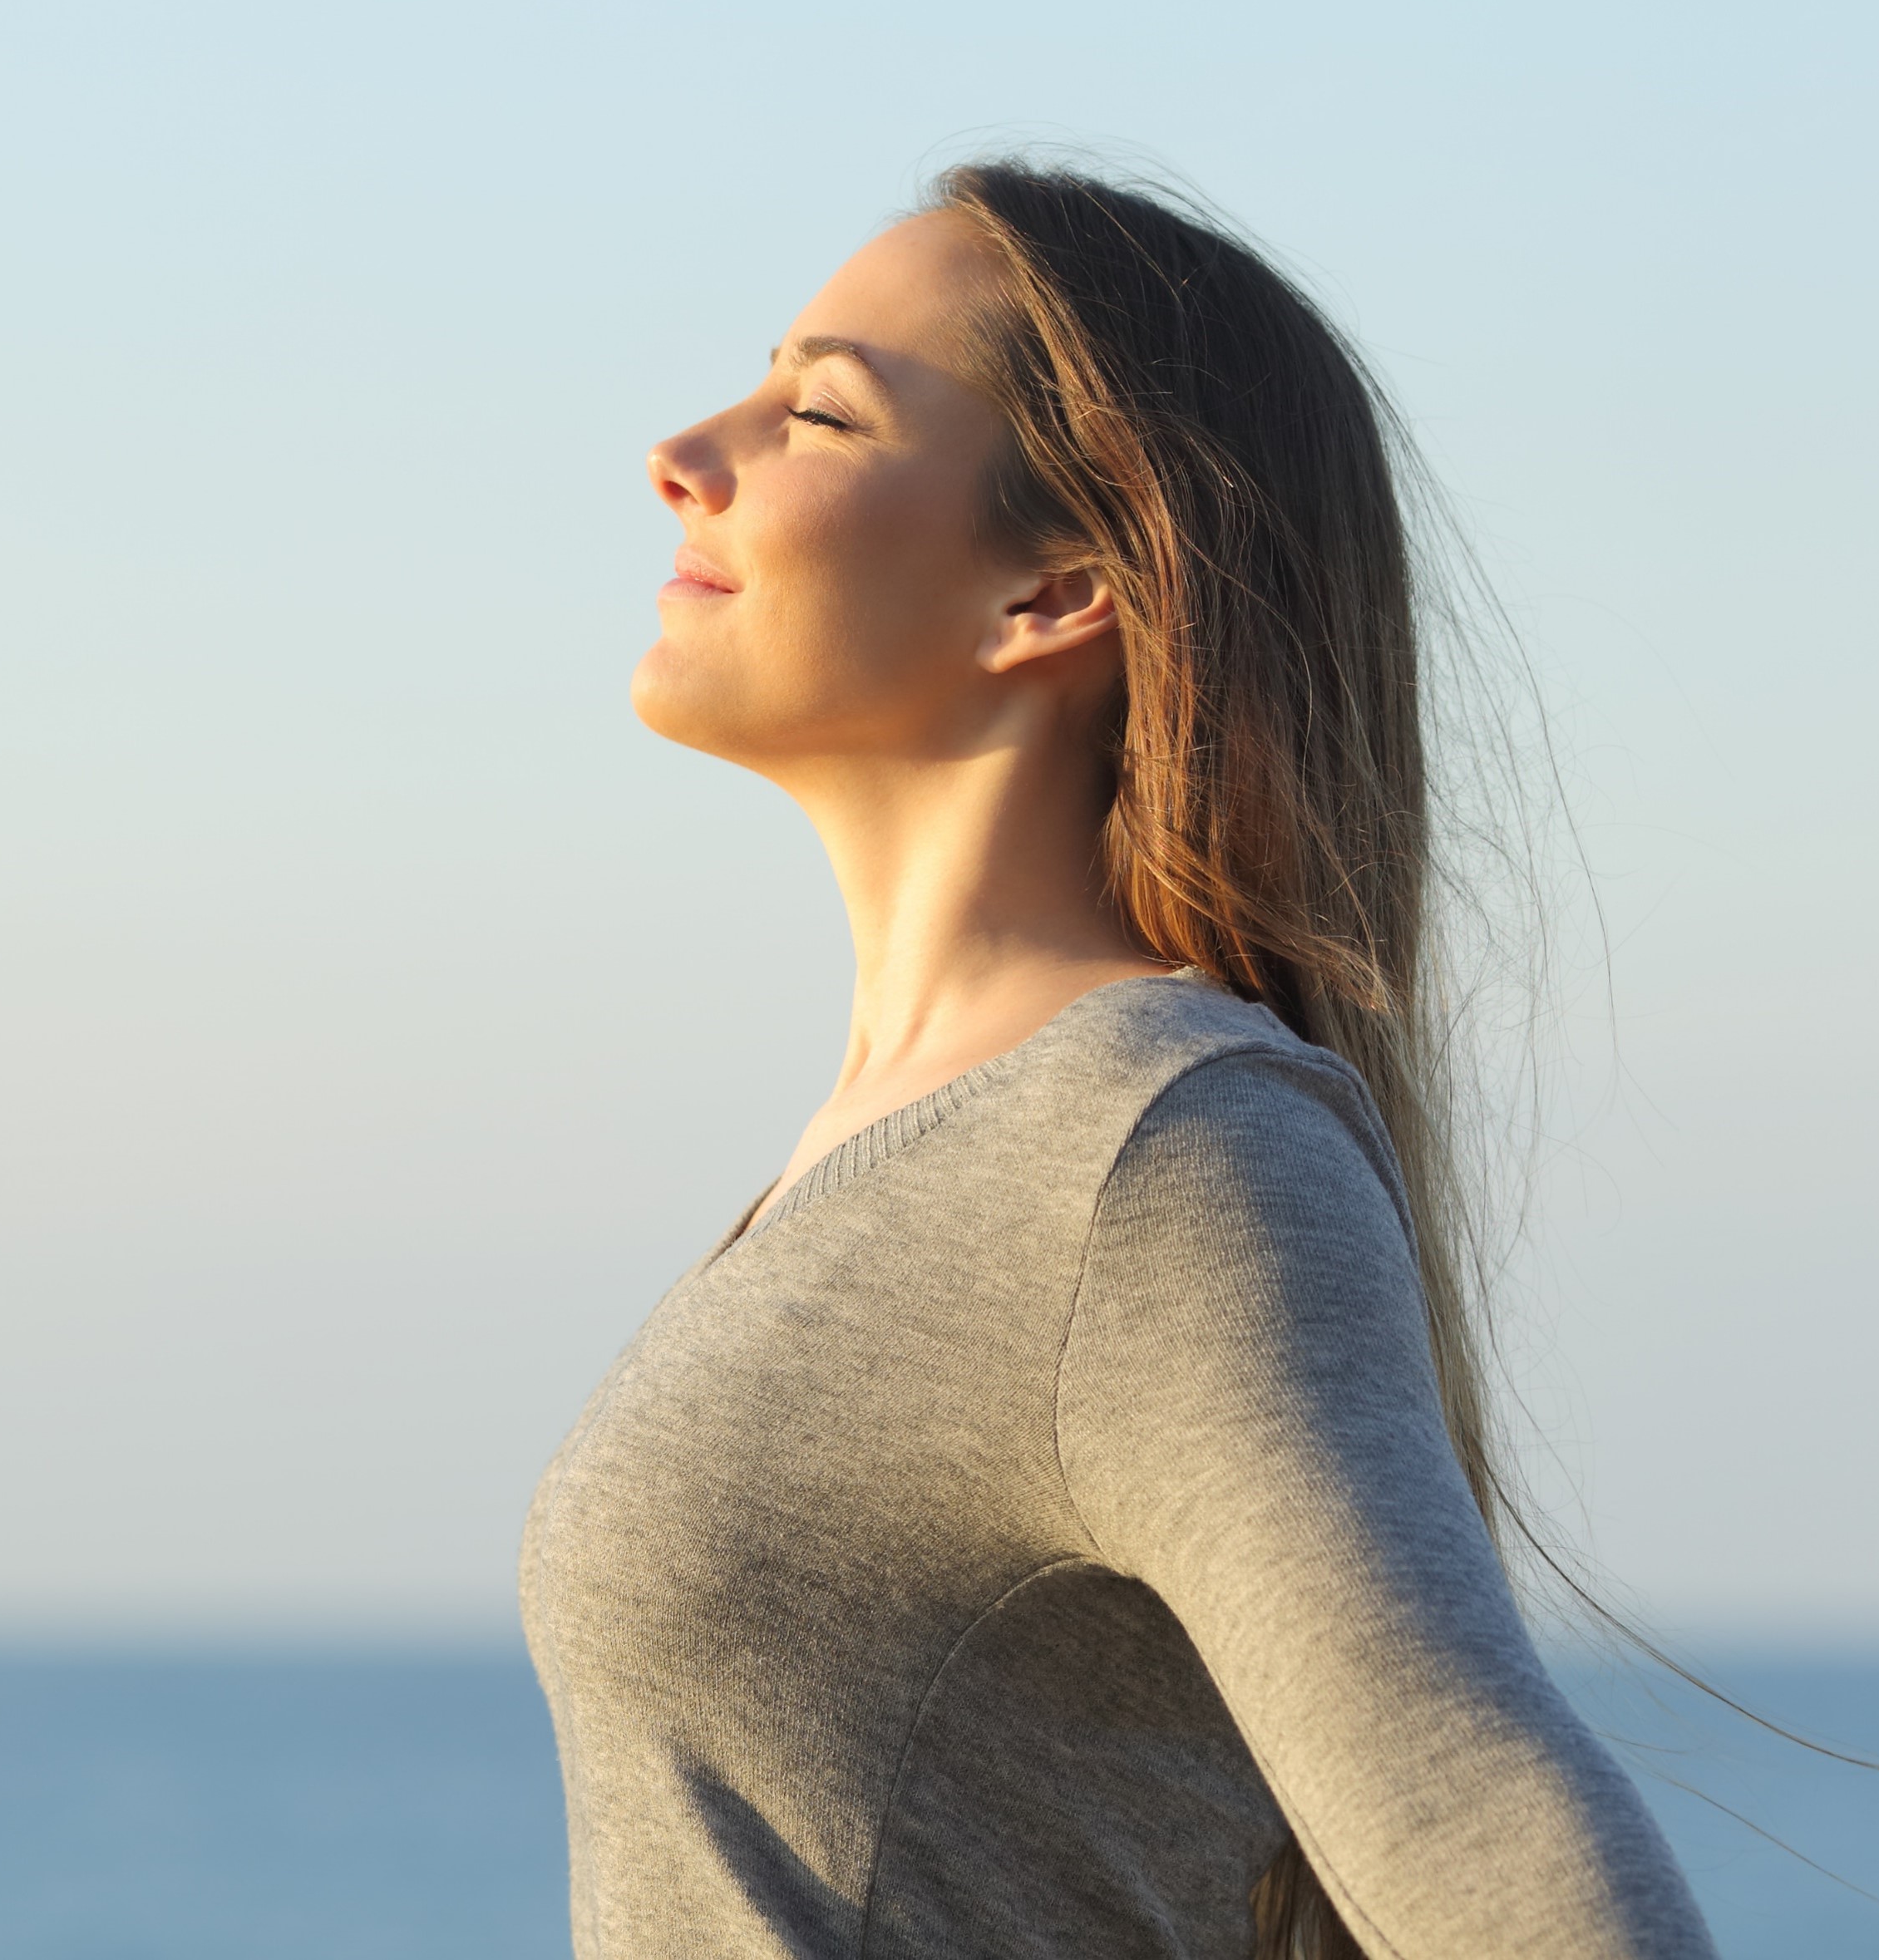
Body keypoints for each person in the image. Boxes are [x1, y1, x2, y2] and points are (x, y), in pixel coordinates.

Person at [516, 160, 1715, 1960]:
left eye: (816, 411)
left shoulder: (1154, 1150)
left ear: (1058, 590)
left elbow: (1509, 1864)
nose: (686, 447)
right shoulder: (928, 1140)